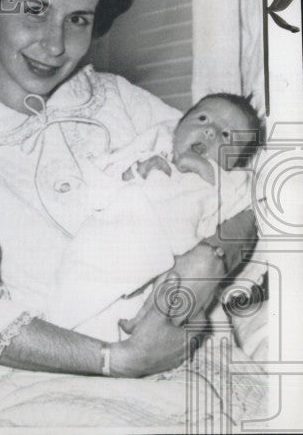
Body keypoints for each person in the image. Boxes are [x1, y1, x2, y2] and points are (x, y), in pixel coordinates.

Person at [0, 0, 266, 427]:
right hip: (49, 391)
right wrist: (116, 361)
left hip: (199, 370)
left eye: (77, 19)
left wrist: (209, 260)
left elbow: (241, 195)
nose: (54, 44)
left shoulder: (124, 102)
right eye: (35, 10)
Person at [47, 92, 262, 339]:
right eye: (203, 118)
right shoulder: (151, 150)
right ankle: (61, 328)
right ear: (179, 125)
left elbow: (246, 207)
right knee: (79, 285)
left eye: (227, 135)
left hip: (165, 265)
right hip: (113, 239)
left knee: (152, 312)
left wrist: (209, 173)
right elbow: (99, 186)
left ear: (235, 161)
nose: (211, 131)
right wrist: (134, 172)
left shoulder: (231, 182)